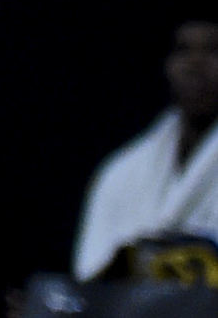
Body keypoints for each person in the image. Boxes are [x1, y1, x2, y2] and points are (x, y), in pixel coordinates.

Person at [72, 20, 218, 284]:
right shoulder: (120, 172)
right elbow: (90, 282)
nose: (196, 64)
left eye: (213, 50)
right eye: (183, 50)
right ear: (166, 65)